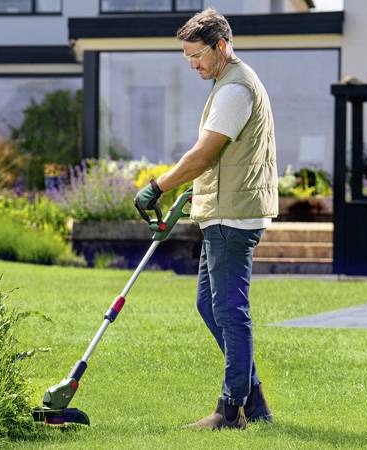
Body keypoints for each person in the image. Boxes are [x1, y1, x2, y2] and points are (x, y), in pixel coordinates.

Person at [134, 8, 278, 430]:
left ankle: (230, 408)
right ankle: (255, 404)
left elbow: (202, 154)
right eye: (187, 58)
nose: (193, 64)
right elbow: (225, 158)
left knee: (231, 310)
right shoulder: (227, 83)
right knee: (208, 304)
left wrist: (159, 186)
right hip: (224, 212)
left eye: (197, 55)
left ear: (221, 46)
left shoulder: (234, 90)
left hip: (233, 218)